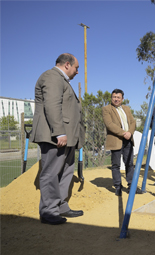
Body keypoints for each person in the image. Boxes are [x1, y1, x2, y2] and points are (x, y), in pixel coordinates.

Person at [30, 53, 85, 225]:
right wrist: (59, 132)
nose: (77, 72)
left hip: (67, 137)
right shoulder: (52, 76)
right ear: (67, 65)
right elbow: (52, 105)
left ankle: (61, 206)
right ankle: (48, 211)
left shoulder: (63, 81)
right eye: (76, 68)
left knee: (66, 171)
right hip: (55, 136)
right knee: (51, 173)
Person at [102, 89, 140, 196]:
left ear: (122, 99)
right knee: (116, 164)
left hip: (128, 139)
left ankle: (131, 186)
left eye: (118, 97)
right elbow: (109, 124)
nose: (116, 99)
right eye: (114, 97)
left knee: (129, 163)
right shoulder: (106, 109)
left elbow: (132, 122)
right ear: (111, 98)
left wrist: (130, 133)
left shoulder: (126, 108)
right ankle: (118, 187)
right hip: (116, 140)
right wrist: (124, 133)